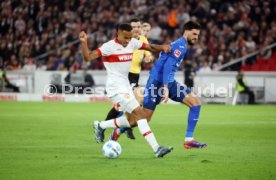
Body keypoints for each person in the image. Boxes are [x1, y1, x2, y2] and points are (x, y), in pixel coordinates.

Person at [80, 23, 173, 157]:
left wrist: (162, 47)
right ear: (118, 33)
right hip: (115, 88)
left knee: (132, 121)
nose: (128, 40)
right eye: (125, 37)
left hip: (126, 86)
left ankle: (101, 125)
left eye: (130, 37)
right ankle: (157, 148)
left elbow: (150, 47)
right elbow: (88, 57)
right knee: (141, 114)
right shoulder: (108, 47)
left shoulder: (132, 43)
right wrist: (84, 43)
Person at [111, 21, 207, 149]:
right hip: (157, 83)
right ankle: (116, 130)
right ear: (187, 31)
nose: (196, 37)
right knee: (142, 119)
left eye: (198, 35)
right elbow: (168, 66)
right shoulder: (180, 46)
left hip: (169, 81)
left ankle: (189, 140)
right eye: (194, 34)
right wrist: (166, 88)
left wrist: (168, 85)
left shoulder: (181, 44)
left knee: (195, 103)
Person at [105, 18, 153, 141]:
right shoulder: (125, 41)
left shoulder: (142, 40)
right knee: (131, 104)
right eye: (134, 27)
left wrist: (148, 59)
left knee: (125, 105)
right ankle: (111, 126)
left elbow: (148, 55)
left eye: (138, 26)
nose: (137, 29)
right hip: (126, 75)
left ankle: (107, 126)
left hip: (135, 75)